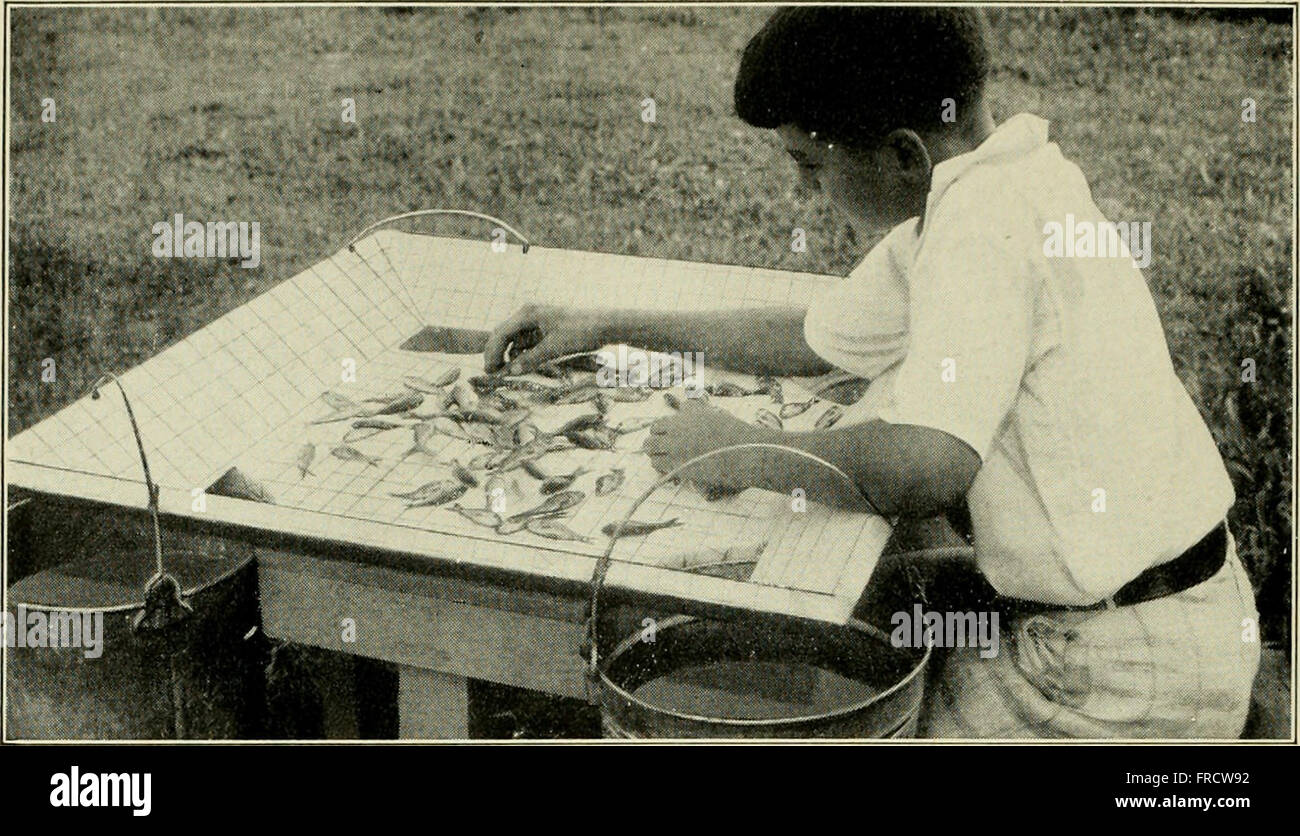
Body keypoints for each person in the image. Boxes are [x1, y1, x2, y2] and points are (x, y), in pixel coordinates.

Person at [483, 6, 1259, 738]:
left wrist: (735, 450)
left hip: (1124, 668)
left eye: (810, 165)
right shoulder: (990, 187)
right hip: (1147, 607)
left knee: (840, 667)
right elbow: (813, 336)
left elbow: (927, 464)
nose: (804, 190)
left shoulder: (981, 233)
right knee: (864, 601)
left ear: (901, 153)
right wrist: (610, 322)